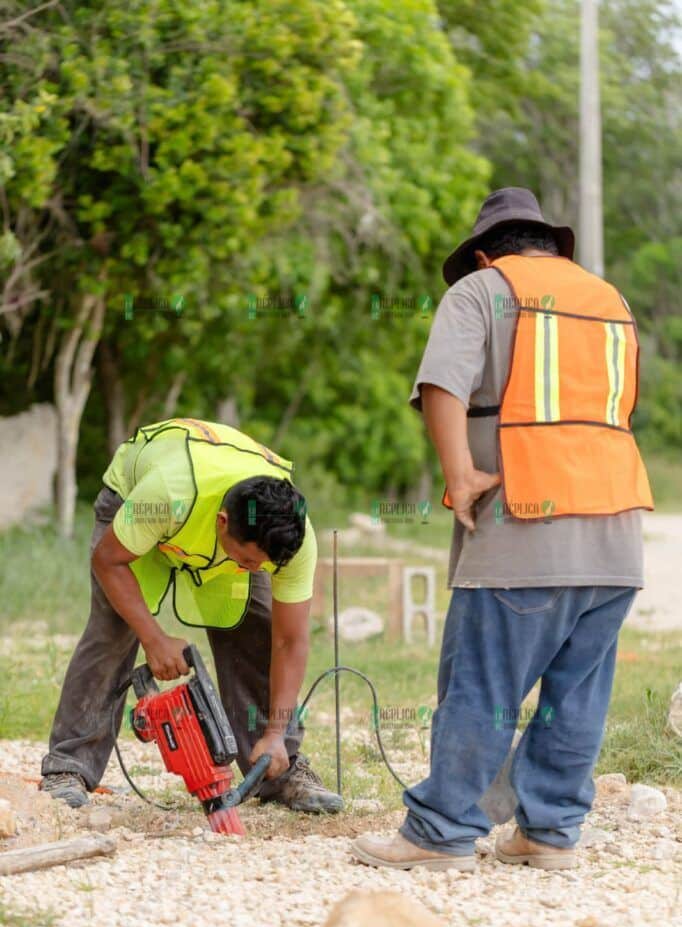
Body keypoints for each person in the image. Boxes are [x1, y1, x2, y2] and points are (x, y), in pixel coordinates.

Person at [352, 187, 653, 872]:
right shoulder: (611, 300)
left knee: (481, 688)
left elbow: (442, 387)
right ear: (551, 244)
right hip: (616, 533)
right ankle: (549, 833)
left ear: (486, 254)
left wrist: (459, 477)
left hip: (525, 527)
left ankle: (440, 835)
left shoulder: (482, 292)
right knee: (576, 694)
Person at [41, 417, 342, 814]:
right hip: (144, 506)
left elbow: (290, 641)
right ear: (223, 525)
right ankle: (69, 768)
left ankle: (277, 767)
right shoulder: (167, 493)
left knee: (257, 629)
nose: (256, 569)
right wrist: (154, 638)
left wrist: (275, 731)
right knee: (114, 628)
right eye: (250, 560)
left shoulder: (288, 537)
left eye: (264, 566)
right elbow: (109, 560)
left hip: (216, 525)